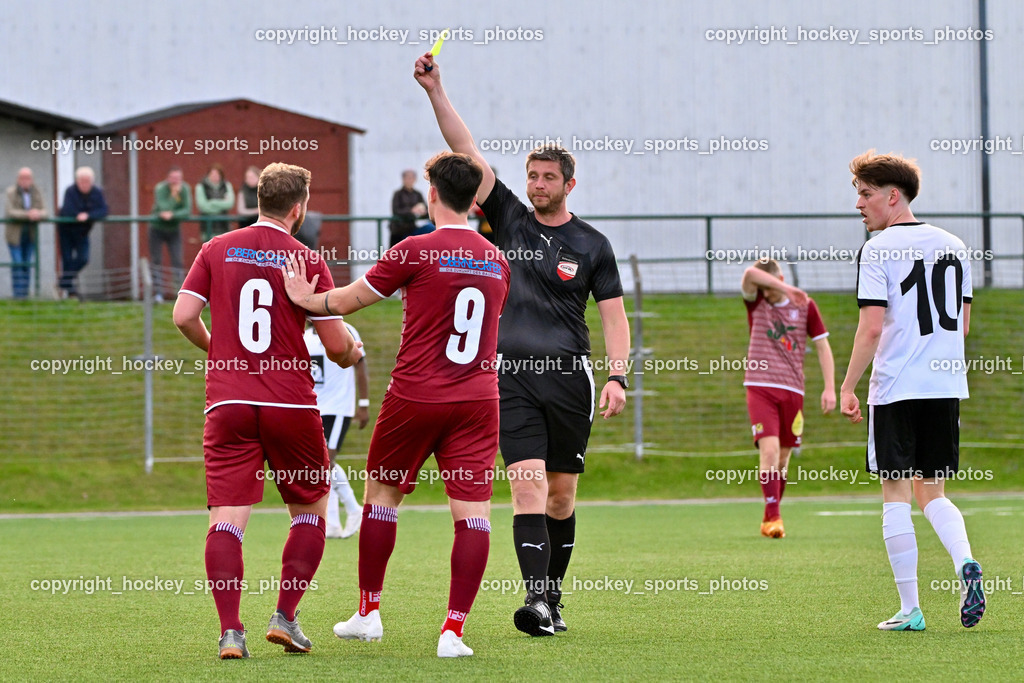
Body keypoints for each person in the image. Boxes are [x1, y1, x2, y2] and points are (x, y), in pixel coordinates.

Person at [415, 51, 631, 637]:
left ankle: (553, 599)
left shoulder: (593, 245)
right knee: (526, 483)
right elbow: (466, 151)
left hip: (568, 378)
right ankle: (536, 601)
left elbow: (613, 317)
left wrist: (617, 375)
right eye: (532, 176)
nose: (537, 185)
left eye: (547, 178)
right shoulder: (509, 218)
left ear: (569, 184)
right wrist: (436, 91)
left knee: (560, 496)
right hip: (509, 376)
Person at [282, 151, 511, 658]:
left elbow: (347, 301)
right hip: (478, 399)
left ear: (432, 194)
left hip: (416, 395)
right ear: (475, 201)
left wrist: (304, 297)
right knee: (473, 514)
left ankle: (368, 613)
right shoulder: (498, 260)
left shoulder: (415, 249)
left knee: (382, 497)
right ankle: (453, 632)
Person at [172, 162, 361, 660]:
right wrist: (352, 354)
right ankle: (284, 617)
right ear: (299, 208)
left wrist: (219, 351)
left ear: (258, 200)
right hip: (289, 402)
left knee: (227, 520)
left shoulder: (216, 248)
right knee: (311, 510)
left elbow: (184, 316)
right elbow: (336, 345)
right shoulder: (307, 260)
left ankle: (231, 633)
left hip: (229, 402)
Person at [840, 150, 984, 632]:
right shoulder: (955, 245)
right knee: (934, 491)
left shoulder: (877, 249)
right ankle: (965, 562)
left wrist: (847, 386)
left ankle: (911, 609)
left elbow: (871, 329)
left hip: (896, 388)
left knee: (896, 494)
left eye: (865, 194)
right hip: (944, 386)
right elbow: (962, 327)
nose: (859, 204)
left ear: (892, 196)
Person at [740, 258, 835, 538]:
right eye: (764, 288)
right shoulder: (757, 302)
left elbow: (822, 347)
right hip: (760, 387)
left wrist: (830, 388)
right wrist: (785, 288)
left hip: (793, 390)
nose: (767, 293)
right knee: (768, 452)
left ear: (780, 279)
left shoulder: (806, 306)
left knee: (782, 460)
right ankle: (774, 517)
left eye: (771, 287)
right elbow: (749, 274)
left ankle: (770, 516)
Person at [303, 320, 370, 538]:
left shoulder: (344, 329)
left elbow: (360, 365)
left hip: (338, 407)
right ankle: (331, 522)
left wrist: (363, 404)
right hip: (314, 408)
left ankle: (354, 509)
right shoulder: (304, 336)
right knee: (321, 464)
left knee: (327, 461)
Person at [58, 167, 109, 299]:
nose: (84, 184)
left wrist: (88, 215)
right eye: (82, 181)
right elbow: (67, 210)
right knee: (67, 259)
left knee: (83, 258)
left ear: (92, 182)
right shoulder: (70, 191)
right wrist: (78, 215)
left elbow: (103, 210)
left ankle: (63, 282)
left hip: (82, 232)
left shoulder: (97, 192)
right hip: (67, 231)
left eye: (87, 181)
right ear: (77, 181)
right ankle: (70, 292)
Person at [4, 167, 46, 299]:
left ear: (32, 179)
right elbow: (10, 212)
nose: (25, 181)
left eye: (27, 178)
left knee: (27, 264)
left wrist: (38, 213)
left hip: (30, 235)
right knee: (18, 263)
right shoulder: (11, 192)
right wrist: (28, 214)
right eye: (22, 178)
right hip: (14, 236)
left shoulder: (37, 192)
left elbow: (45, 211)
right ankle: (18, 295)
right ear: (18, 179)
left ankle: (24, 295)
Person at [151, 167, 192, 301]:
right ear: (168, 178)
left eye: (178, 178)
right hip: (156, 229)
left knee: (177, 260)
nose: (176, 181)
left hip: (174, 229)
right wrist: (174, 196)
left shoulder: (184, 189)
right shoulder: (160, 188)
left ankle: (179, 292)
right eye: (173, 178)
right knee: (156, 260)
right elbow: (163, 208)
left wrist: (173, 214)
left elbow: (187, 210)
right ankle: (158, 293)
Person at [196, 163, 235, 242]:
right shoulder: (201, 186)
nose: (215, 176)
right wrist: (221, 205)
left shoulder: (227, 185)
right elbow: (203, 206)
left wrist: (212, 203)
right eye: (212, 174)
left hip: (224, 227)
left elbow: (230, 204)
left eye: (217, 174)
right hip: (207, 228)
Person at [389, 169, 427, 247]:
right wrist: (411, 211)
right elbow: (396, 210)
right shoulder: (398, 194)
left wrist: (422, 211)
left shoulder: (417, 194)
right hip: (399, 230)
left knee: (430, 228)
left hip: (413, 228)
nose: (409, 180)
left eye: (411, 178)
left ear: (415, 179)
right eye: (407, 178)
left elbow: (426, 209)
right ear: (403, 179)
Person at [236, 166, 261, 230]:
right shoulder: (242, 191)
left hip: (260, 223)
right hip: (245, 224)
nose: (250, 180)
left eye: (252, 177)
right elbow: (241, 210)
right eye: (248, 177)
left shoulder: (264, 191)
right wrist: (256, 211)